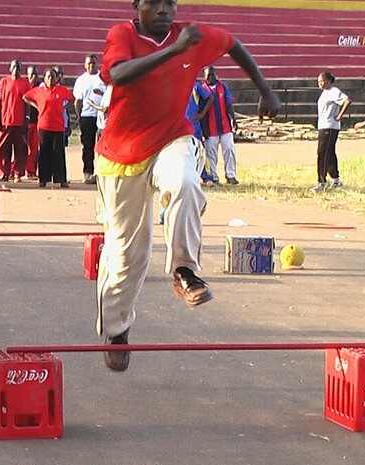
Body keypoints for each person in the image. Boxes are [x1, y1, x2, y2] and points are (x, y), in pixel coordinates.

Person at [94, 0, 280, 371]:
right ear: (137, 6)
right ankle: (117, 330)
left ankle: (184, 270)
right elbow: (119, 74)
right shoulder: (123, 35)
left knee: (185, 181)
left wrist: (265, 90)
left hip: (170, 138)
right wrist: (176, 52)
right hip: (121, 153)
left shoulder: (190, 35)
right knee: (127, 255)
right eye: (152, 3)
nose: (162, 9)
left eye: (169, 2)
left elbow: (233, 44)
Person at [23, 68, 74, 188]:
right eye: (48, 77)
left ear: (56, 78)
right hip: (44, 126)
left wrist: (64, 107)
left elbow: (72, 99)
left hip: (58, 127)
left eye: (53, 77)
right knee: (44, 153)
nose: (50, 79)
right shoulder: (38, 91)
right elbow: (25, 97)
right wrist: (36, 106)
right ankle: (43, 179)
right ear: (44, 78)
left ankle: (61, 179)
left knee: (58, 153)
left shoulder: (62, 90)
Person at [313, 71, 350, 192]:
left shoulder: (333, 91)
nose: (320, 83)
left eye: (322, 81)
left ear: (328, 80)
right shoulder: (325, 93)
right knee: (329, 153)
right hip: (323, 126)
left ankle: (321, 181)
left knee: (323, 153)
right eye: (318, 81)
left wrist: (339, 116)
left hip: (329, 127)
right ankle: (336, 179)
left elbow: (347, 100)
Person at [201, 66, 239, 185]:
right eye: (208, 75)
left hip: (225, 126)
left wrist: (234, 119)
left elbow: (228, 104)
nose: (210, 77)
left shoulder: (223, 87)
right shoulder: (202, 89)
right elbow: (201, 110)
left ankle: (230, 175)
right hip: (210, 129)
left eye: (212, 74)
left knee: (229, 150)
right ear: (204, 77)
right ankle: (213, 176)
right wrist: (204, 129)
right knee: (211, 154)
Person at [0, 60, 32, 182]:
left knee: (21, 149)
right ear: (10, 68)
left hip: (20, 122)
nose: (16, 69)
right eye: (14, 66)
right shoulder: (3, 82)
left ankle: (17, 173)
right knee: (3, 149)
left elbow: (28, 103)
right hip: (6, 121)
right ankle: (3, 173)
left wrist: (26, 119)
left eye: (19, 67)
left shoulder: (25, 83)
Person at [73, 54, 105, 184]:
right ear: (85, 66)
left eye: (93, 63)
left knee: (102, 147)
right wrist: (79, 117)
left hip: (102, 117)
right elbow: (77, 101)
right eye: (89, 63)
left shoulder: (102, 78)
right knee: (88, 146)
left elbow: (109, 93)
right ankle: (88, 173)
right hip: (87, 117)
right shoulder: (81, 80)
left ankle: (101, 173)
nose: (91, 65)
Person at [186, 80, 213, 184]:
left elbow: (210, 98)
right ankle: (189, 178)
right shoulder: (175, 85)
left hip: (193, 124)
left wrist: (202, 114)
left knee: (200, 150)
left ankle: (207, 177)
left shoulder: (195, 86)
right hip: (180, 126)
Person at [24, 66, 41, 180]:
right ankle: (14, 170)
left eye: (35, 74)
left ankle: (31, 171)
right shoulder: (24, 86)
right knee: (22, 148)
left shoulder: (40, 88)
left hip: (36, 122)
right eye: (31, 75)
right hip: (24, 122)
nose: (33, 77)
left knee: (34, 149)